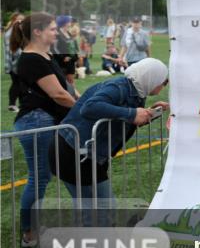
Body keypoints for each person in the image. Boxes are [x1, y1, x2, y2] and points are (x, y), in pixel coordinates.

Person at [50, 58, 168, 210]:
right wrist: (132, 113)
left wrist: (147, 114)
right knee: (101, 210)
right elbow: (89, 107)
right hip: (73, 152)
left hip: (85, 153)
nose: (162, 87)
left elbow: (123, 118)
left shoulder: (136, 91)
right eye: (163, 82)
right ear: (151, 78)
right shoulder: (119, 87)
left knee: (94, 210)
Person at [8, 13, 78, 246]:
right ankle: (29, 233)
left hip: (44, 120)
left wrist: (81, 100)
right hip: (36, 122)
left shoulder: (45, 55)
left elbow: (66, 88)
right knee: (38, 178)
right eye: (51, 28)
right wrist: (83, 110)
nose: (55, 31)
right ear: (37, 32)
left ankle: (33, 227)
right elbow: (57, 94)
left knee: (42, 176)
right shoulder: (31, 59)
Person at [4, 12, 25, 111]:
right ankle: (12, 105)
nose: (21, 22)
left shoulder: (14, 31)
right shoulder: (10, 32)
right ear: (14, 19)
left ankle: (21, 104)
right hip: (14, 63)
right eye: (20, 20)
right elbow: (13, 50)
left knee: (20, 83)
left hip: (16, 62)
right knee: (16, 83)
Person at [54, 15, 79, 93]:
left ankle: (75, 98)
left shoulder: (68, 32)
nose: (70, 22)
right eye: (69, 21)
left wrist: (76, 54)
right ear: (64, 23)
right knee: (68, 82)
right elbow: (54, 48)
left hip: (71, 61)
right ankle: (76, 99)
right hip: (63, 62)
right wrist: (62, 57)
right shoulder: (57, 34)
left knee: (70, 81)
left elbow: (73, 45)